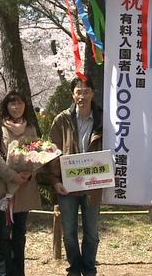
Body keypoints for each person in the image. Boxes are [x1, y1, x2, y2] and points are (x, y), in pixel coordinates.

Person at [48, 76, 103, 276]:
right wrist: (55, 182)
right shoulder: (61, 120)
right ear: (73, 95)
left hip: (93, 184)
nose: (82, 95)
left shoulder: (103, 119)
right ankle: (74, 267)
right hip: (66, 185)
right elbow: (53, 153)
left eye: (86, 91)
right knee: (69, 233)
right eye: (78, 91)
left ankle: (89, 269)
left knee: (92, 233)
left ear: (93, 93)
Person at [0, 91, 42, 276]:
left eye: (20, 104)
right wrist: (12, 176)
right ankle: (3, 272)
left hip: (24, 187)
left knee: (19, 233)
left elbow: (38, 152)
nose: (16, 108)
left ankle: (18, 272)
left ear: (25, 106)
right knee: (3, 233)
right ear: (5, 106)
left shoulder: (30, 128)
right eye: (12, 104)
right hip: (4, 188)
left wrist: (30, 172)